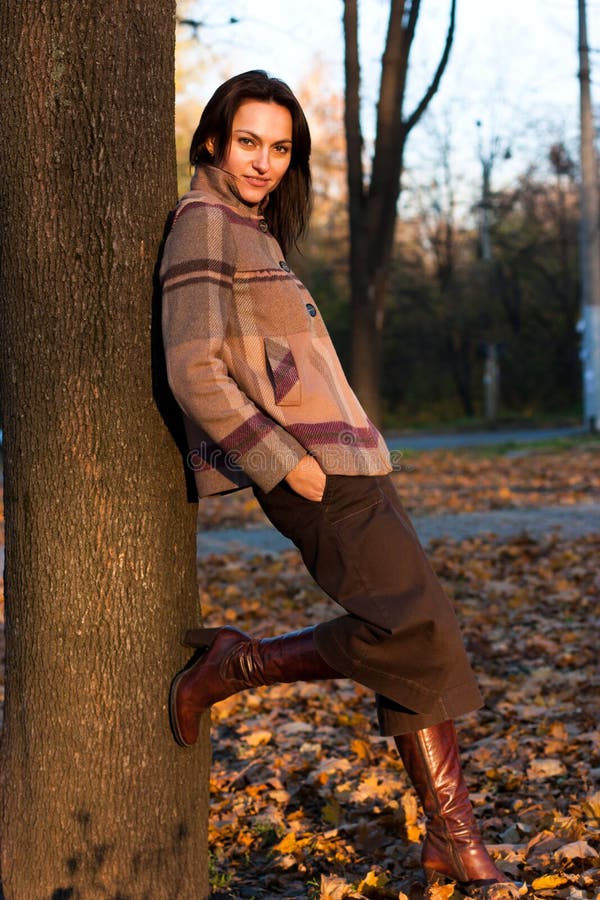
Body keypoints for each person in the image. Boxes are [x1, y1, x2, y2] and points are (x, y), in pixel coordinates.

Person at [160, 70, 519, 897]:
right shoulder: (203, 226)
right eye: (248, 142)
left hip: (353, 464)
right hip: (309, 472)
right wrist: (284, 464)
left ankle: (449, 841)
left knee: (421, 637)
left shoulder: (253, 230)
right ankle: (233, 669)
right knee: (416, 630)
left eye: (280, 148)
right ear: (213, 139)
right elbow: (193, 370)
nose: (264, 161)